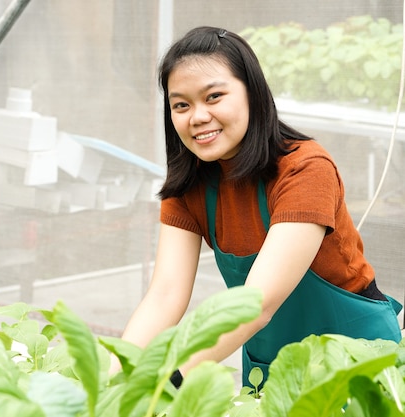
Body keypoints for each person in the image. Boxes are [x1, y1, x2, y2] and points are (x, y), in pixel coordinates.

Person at [116, 26, 403, 388]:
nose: (197, 116)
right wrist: (115, 384)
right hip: (274, 368)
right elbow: (164, 295)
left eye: (214, 96)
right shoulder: (189, 186)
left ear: (252, 93)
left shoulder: (305, 169)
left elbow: (257, 304)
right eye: (181, 105)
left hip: (356, 361)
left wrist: (168, 383)